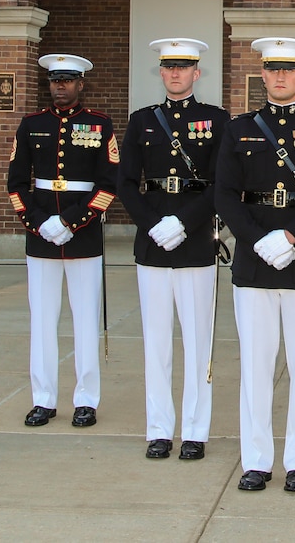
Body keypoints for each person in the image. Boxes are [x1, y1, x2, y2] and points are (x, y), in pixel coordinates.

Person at [215, 37, 295, 494]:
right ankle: (257, 459)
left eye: (291, 69)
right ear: (263, 75)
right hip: (254, 263)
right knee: (256, 365)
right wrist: (256, 239)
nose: (282, 77)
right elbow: (225, 193)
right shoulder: (237, 129)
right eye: (274, 69)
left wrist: (292, 236)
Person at [117, 37, 229, 461]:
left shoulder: (216, 120)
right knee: (157, 342)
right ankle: (159, 429)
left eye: (184, 67)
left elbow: (222, 184)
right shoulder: (142, 120)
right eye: (169, 67)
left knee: (199, 342)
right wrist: (152, 224)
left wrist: (183, 222)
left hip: (196, 239)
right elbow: (126, 182)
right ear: (161, 73)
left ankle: (196, 431)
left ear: (196, 73)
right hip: (152, 241)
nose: (176, 73)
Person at [7, 54, 119, 429]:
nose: (60, 86)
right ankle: (44, 399)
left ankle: (86, 400)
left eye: (68, 80)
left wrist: (72, 221)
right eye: (55, 80)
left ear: (81, 84)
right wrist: (39, 224)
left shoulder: (100, 124)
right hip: (40, 236)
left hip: (83, 234)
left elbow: (109, 184)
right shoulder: (31, 124)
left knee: (86, 320)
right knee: (42, 320)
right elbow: (16, 183)